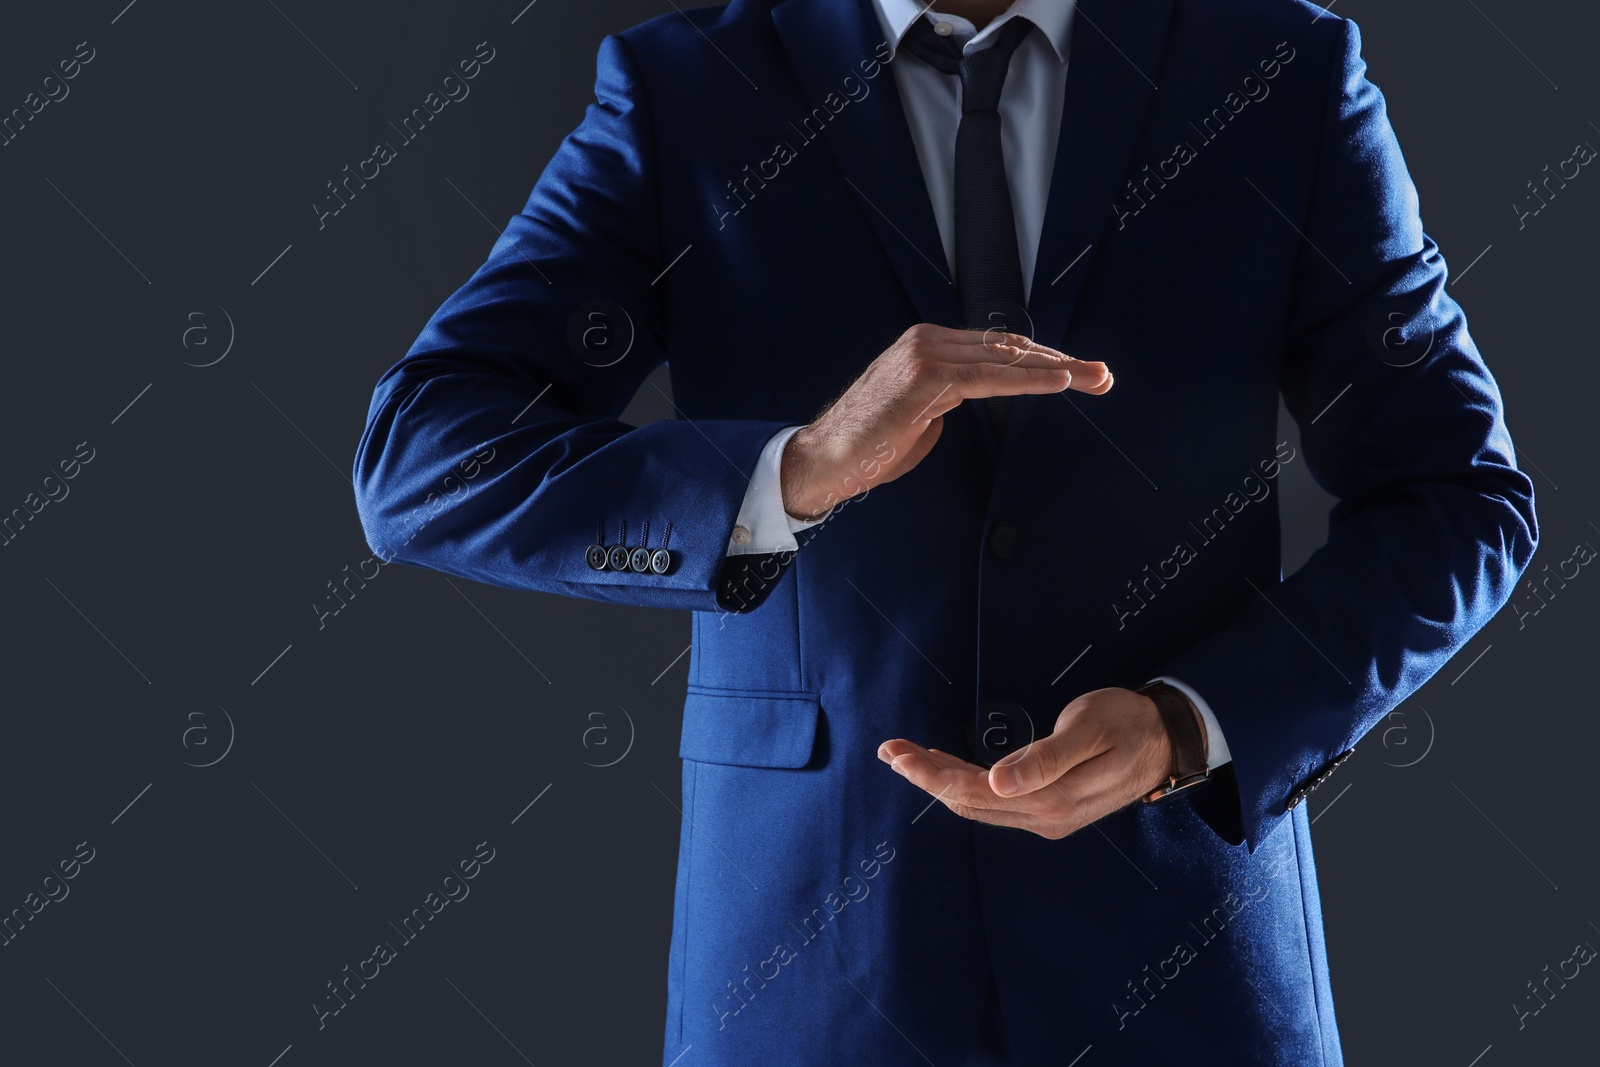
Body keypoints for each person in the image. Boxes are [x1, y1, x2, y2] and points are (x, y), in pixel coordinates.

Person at [351, 0, 1538, 1062]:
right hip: (805, 978)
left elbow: (1458, 495)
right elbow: (421, 457)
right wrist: (798, 470)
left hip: (1189, 971)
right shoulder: (687, 88)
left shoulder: (1281, 64)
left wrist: (1193, 722)